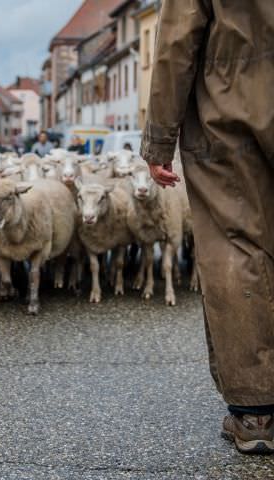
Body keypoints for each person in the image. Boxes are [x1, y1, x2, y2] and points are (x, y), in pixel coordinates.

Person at [141, 0, 274, 454]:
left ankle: (256, 413)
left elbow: (177, 42)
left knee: (236, 247)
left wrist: (159, 138)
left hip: (230, 112)